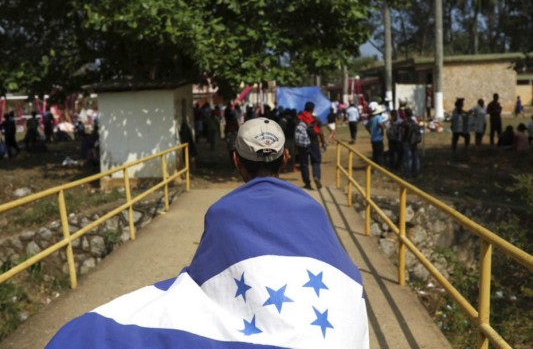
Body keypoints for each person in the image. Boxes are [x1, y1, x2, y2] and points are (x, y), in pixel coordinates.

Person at [46, 118, 369, 348]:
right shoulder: (312, 208)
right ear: (286, 158)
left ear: (235, 161)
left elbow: (207, 281)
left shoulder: (222, 211)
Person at [295, 101, 326, 190]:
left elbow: (296, 132)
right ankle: (316, 176)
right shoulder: (316, 119)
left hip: (302, 144)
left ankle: (307, 183)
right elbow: (320, 133)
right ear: (312, 109)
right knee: (316, 161)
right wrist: (323, 142)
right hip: (314, 143)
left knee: (304, 164)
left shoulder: (298, 118)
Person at [401, 108, 420, 178]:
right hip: (414, 141)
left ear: (405, 114)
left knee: (408, 158)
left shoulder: (405, 123)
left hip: (407, 141)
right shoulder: (414, 122)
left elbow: (403, 133)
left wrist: (402, 140)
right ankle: (416, 172)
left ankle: (408, 174)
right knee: (415, 157)